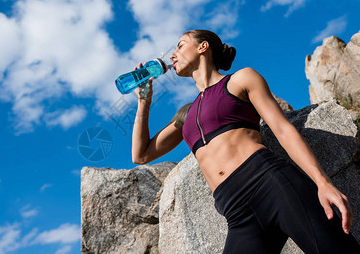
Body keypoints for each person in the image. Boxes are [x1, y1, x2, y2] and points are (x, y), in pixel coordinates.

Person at [131, 29, 360, 253]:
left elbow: (282, 129)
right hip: (236, 211)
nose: (172, 55)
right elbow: (141, 155)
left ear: (203, 47)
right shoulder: (186, 114)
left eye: (180, 45)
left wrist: (322, 182)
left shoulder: (240, 80)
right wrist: (144, 101)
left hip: (271, 184)